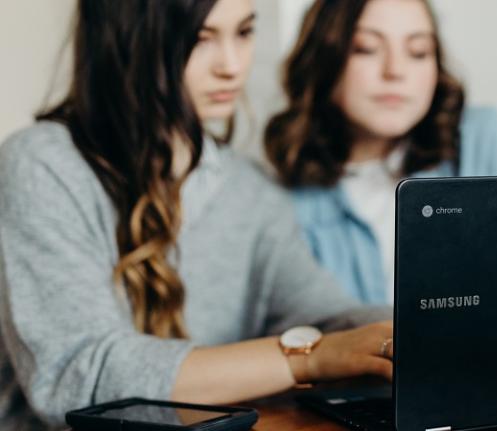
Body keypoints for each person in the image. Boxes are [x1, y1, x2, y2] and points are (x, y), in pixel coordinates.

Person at [0, 1, 394, 429]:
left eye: (243, 33)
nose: (231, 65)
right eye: (201, 39)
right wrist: (309, 359)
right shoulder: (42, 164)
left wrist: (414, 328)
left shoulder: (249, 188)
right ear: (129, 41)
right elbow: (79, 378)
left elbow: (324, 313)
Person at [264, 0, 497, 305]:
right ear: (322, 59)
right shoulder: (279, 199)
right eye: (366, 48)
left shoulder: (484, 138)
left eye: (419, 52)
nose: (395, 71)